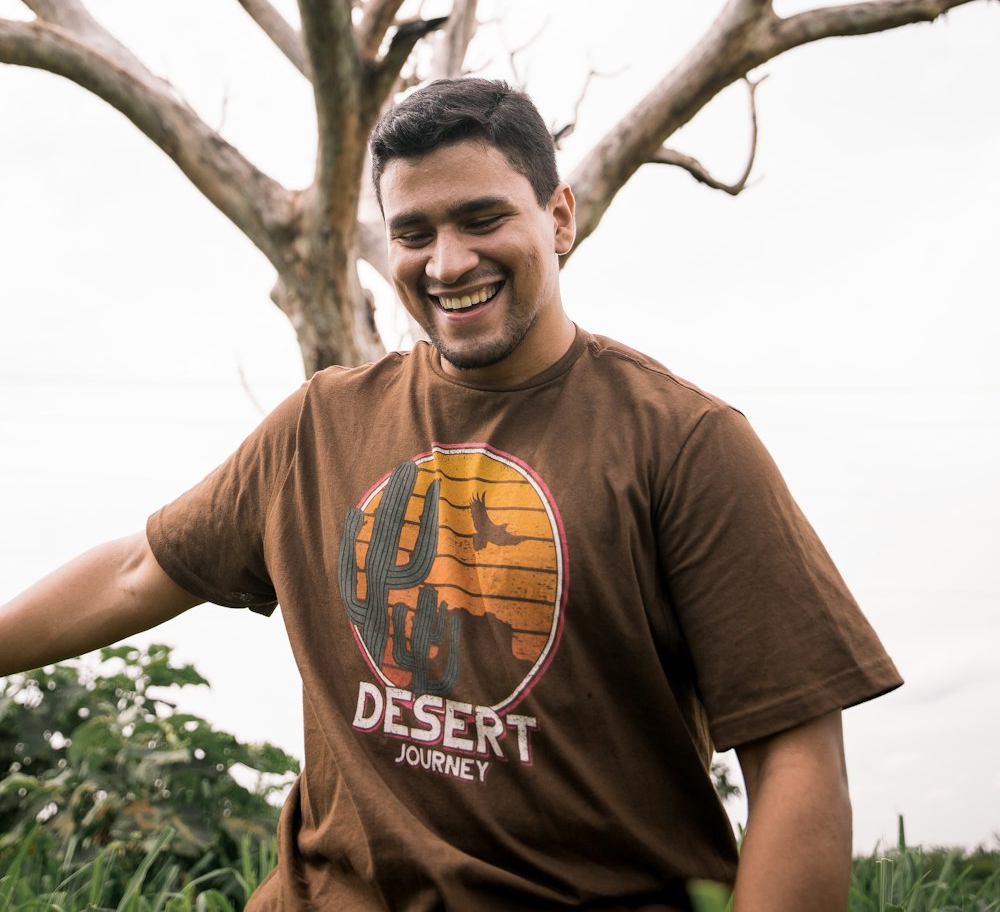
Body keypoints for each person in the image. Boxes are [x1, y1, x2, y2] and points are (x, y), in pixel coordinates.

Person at [0, 77, 901, 911]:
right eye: (415, 232)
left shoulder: (683, 441)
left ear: (559, 218)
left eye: (481, 219)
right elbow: (134, 571)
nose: (448, 262)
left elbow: (798, 760)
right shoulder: (319, 427)